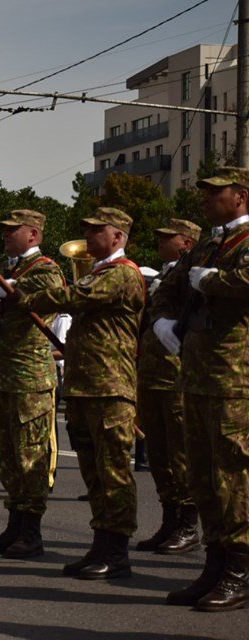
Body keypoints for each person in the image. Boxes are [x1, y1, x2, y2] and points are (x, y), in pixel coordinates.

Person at [17, 207, 145, 580]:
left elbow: (70, 296)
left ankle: (117, 551)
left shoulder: (121, 274)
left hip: (111, 389)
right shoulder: (99, 272)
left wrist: (23, 295)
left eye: (96, 230)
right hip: (85, 388)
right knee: (93, 474)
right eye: (86, 231)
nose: (88, 237)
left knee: (114, 471)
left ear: (118, 236)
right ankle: (100, 544)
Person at [150, 167, 249, 611]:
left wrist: (212, 281)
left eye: (215, 193)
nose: (206, 199)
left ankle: (240, 570)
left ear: (241, 197)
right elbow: (167, 286)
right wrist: (163, 321)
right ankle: (214, 562)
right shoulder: (209, 243)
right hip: (196, 375)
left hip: (236, 378)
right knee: (204, 474)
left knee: (234, 474)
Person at [0, 210, 65, 559]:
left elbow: (51, 295)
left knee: (30, 455)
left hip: (28, 379)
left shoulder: (45, 269)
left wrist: (13, 289)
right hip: (1, 377)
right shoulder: (5, 270)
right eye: (4, 230)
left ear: (33, 235)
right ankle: (13, 524)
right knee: (6, 456)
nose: (5, 235)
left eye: (13, 230)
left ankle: (31, 531)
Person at [135, 218, 202, 555]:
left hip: (175, 375)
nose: (159, 242)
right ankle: (169, 519)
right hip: (151, 375)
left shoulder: (191, 275)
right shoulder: (163, 276)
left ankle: (188, 525)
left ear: (186, 243)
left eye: (167, 237)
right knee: (159, 455)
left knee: (180, 455)